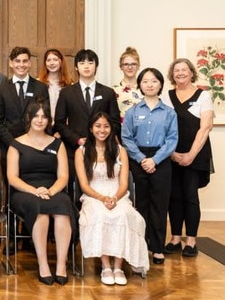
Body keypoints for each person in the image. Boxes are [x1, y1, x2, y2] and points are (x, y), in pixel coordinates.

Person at [76, 112, 149, 286]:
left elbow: (123, 182)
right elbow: (84, 185)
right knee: (100, 215)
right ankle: (105, 266)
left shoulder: (120, 150)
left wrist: (115, 198)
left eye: (106, 126)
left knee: (123, 215)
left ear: (111, 128)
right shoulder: (82, 151)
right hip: (93, 196)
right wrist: (102, 198)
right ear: (91, 128)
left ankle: (118, 266)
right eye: (98, 126)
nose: (102, 130)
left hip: (118, 195)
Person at [7, 103, 75, 286]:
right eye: (36, 116)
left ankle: (61, 265)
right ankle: (43, 264)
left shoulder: (57, 144)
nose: (39, 120)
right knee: (40, 210)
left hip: (53, 189)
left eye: (44, 117)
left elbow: (63, 176)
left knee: (62, 207)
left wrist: (51, 191)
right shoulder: (16, 144)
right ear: (28, 118)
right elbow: (12, 178)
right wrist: (34, 191)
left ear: (49, 120)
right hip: (25, 191)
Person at [122, 68, 178, 265]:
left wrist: (155, 160)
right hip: (138, 161)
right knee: (139, 205)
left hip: (161, 161)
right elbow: (126, 138)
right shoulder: (132, 112)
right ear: (140, 85)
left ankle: (157, 248)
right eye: (145, 81)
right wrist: (141, 158)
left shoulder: (170, 113)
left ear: (161, 84)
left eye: (154, 81)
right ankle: (139, 246)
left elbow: (172, 140)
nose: (150, 84)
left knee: (159, 205)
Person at [161, 59, 213, 257]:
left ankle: (191, 241)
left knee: (190, 196)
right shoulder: (166, 96)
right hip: (171, 153)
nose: (180, 73)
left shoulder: (204, 96)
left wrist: (191, 154)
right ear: (172, 75)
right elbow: (163, 127)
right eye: (176, 70)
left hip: (196, 153)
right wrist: (171, 153)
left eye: (184, 70)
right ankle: (175, 239)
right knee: (174, 197)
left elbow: (205, 127)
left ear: (192, 73)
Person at [54, 49, 120, 198]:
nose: (86, 66)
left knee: (98, 189)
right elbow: (59, 123)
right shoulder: (67, 93)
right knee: (73, 192)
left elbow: (115, 122)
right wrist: (77, 139)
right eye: (82, 62)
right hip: (74, 149)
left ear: (96, 66)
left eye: (90, 62)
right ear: (76, 67)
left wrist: (100, 140)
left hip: (102, 151)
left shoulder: (108, 92)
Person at [37, 48, 73, 120]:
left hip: (63, 125)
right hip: (43, 124)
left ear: (61, 62)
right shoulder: (37, 83)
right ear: (45, 63)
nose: (52, 63)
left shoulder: (70, 85)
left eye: (55, 60)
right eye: (48, 60)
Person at [113, 47, 143, 122]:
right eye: (126, 64)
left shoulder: (146, 88)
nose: (130, 67)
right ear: (121, 67)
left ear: (138, 66)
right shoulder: (113, 90)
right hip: (122, 131)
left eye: (133, 64)